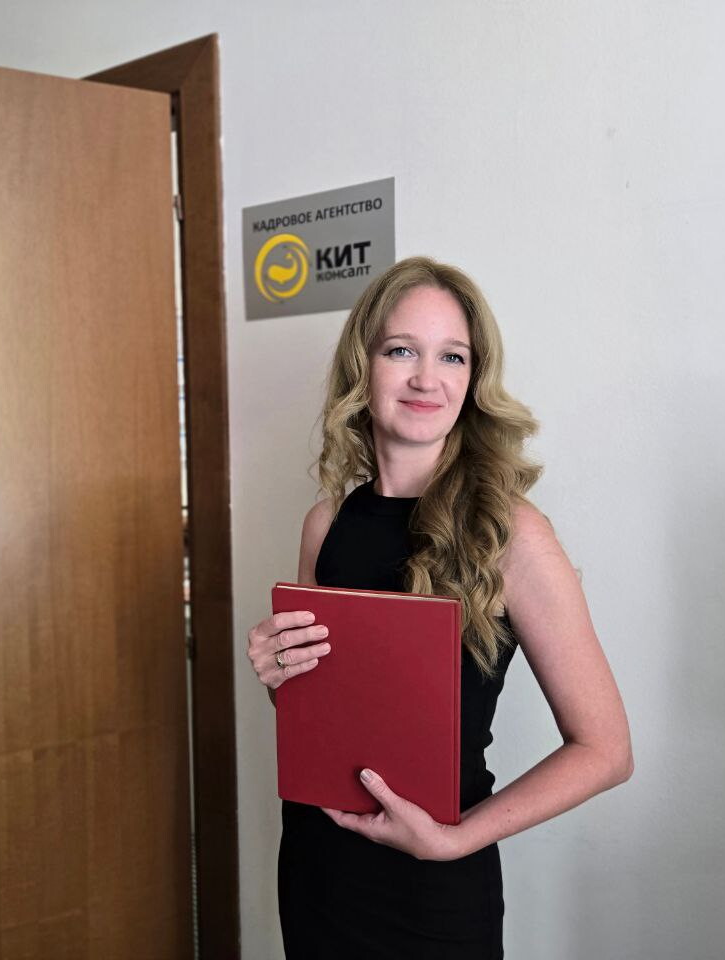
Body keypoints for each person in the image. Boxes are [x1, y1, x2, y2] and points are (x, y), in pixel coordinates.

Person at [245, 256, 634, 958]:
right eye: (402, 351)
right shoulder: (325, 524)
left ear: (473, 379)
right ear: (363, 367)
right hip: (317, 867)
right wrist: (279, 676)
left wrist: (454, 840)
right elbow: (329, 714)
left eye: (452, 356)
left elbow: (606, 751)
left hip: (433, 889)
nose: (428, 378)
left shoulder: (511, 533)